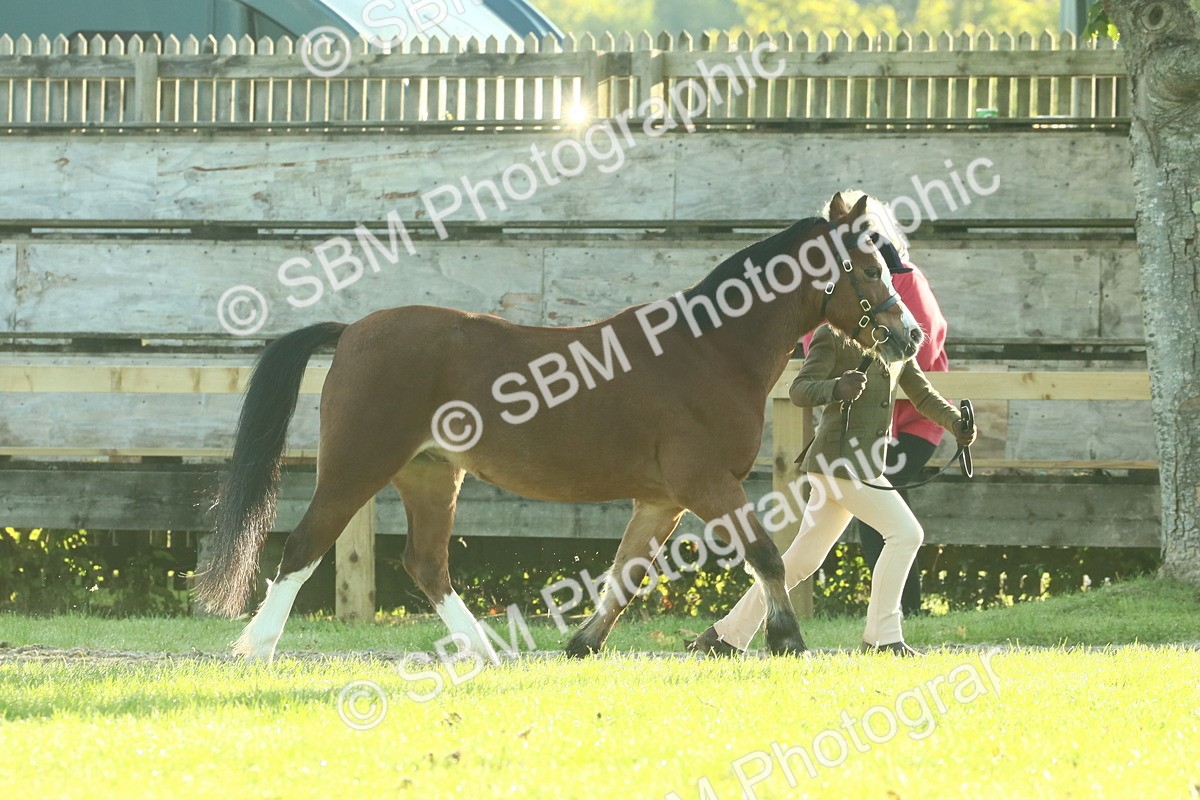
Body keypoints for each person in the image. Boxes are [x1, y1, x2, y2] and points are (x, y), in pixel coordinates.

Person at [687, 198, 975, 656]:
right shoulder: (833, 334)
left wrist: (956, 423)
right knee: (906, 534)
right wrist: (837, 388)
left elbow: (920, 392)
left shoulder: (893, 342)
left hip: (858, 463)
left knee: (802, 559)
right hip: (838, 462)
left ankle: (724, 637)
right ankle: (883, 638)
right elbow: (802, 389)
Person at [856, 246, 950, 617]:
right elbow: (816, 348)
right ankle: (900, 611)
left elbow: (924, 350)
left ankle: (897, 611)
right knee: (873, 514)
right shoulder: (839, 282)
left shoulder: (908, 278)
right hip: (862, 421)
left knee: (880, 506)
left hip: (912, 423)